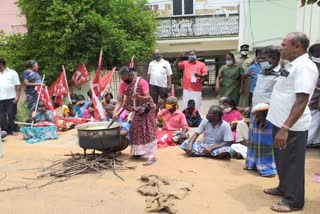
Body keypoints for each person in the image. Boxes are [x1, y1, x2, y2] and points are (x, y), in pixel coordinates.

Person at [265, 32, 318, 212]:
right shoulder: (292, 64)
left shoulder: (305, 67)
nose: (281, 47)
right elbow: (283, 92)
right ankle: (284, 188)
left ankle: (294, 201)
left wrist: (286, 127)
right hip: (279, 122)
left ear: (297, 47)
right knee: (282, 159)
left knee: (293, 163)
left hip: (291, 127)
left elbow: (302, 100)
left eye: (284, 44)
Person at [113, 66, 157, 165]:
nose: (123, 81)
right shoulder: (122, 85)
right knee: (134, 129)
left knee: (147, 130)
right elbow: (119, 101)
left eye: (124, 78)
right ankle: (138, 152)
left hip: (146, 109)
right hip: (136, 109)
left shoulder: (142, 82)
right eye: (122, 79)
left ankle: (151, 155)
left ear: (131, 75)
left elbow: (147, 98)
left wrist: (138, 96)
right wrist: (115, 112)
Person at [245, 103, 277, 177]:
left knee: (265, 142)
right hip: (256, 109)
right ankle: (253, 164)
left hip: (269, 109)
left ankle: (267, 168)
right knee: (254, 141)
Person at [0, 58, 21, 136]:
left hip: (11, 98)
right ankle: (4, 131)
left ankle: (12, 130)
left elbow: (18, 85)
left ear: (1, 64)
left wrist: (17, 97)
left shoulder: (12, 73)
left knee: (11, 115)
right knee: (1, 116)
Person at [307, 43, 320, 147]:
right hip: (308, 100)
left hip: (316, 102)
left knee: (314, 123)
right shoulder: (306, 64)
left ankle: (312, 141)